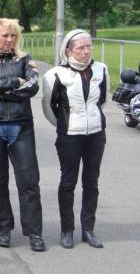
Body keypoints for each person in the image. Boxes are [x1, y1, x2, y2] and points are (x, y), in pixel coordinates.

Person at [0, 18, 45, 251]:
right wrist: (14, 82)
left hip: (21, 126)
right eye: (5, 35)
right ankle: (4, 229)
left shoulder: (25, 59)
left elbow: (32, 86)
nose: (9, 40)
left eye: (13, 35)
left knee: (29, 182)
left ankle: (35, 232)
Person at [42, 29, 108, 249]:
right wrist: (63, 124)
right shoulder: (55, 75)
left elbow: (102, 100)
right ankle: (67, 230)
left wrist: (92, 119)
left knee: (92, 182)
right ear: (69, 51)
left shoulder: (101, 69)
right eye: (81, 48)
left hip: (96, 135)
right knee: (68, 182)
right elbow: (49, 107)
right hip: (69, 136)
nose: (86, 51)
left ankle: (88, 229)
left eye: (89, 46)